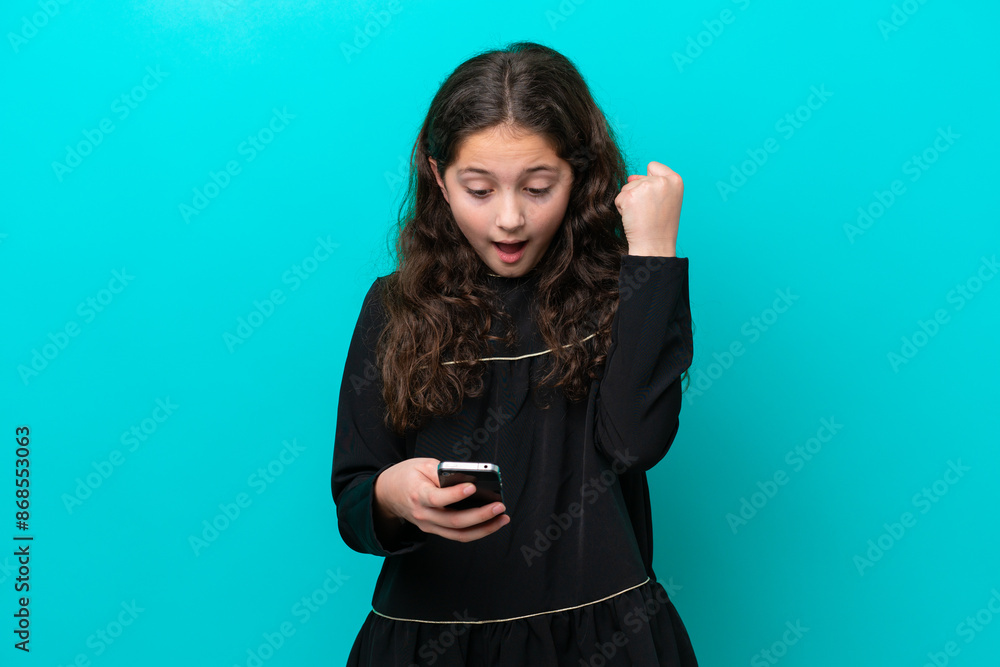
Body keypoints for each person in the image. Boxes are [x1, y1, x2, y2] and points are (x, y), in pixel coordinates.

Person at [332, 40, 697, 666]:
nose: (509, 220)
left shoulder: (627, 289)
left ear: (579, 176)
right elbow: (354, 501)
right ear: (438, 178)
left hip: (602, 638)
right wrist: (393, 494)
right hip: (430, 641)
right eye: (478, 189)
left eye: (537, 187)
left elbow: (638, 443)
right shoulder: (393, 308)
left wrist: (655, 254)